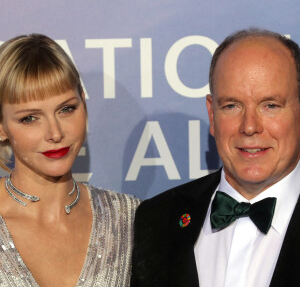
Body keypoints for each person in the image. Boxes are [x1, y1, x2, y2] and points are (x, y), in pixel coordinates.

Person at [131, 28, 300, 287]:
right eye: (232, 106)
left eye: (270, 105)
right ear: (212, 114)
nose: (250, 126)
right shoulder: (157, 220)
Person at [0, 34, 140, 287]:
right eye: (30, 118)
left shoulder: (130, 219)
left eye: (66, 109)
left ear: (83, 106)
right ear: (1, 127)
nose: (55, 133)